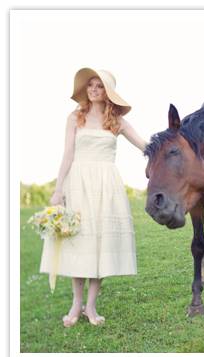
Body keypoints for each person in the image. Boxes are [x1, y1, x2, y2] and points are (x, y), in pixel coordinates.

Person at [40, 68, 148, 327]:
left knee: (100, 244)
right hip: (78, 183)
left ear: (107, 92)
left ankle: (91, 307)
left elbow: (146, 146)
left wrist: (173, 144)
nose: (93, 90)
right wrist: (58, 189)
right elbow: (67, 155)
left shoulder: (117, 121)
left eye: (99, 86)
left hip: (107, 186)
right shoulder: (75, 117)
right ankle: (76, 305)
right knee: (79, 244)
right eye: (90, 85)